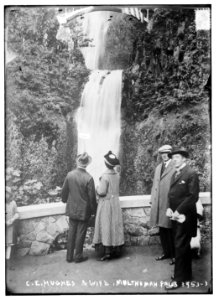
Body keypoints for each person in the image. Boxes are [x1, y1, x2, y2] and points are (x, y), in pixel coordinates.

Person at [165, 148, 199, 290]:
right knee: (182, 245)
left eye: (177, 157)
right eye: (173, 157)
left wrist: (178, 211)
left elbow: (193, 197)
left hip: (184, 216)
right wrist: (169, 208)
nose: (174, 160)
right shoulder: (175, 173)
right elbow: (171, 194)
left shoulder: (191, 173)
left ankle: (178, 279)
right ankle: (186, 275)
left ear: (184, 158)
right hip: (175, 215)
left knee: (180, 246)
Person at [62, 152, 97, 263]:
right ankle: (78, 257)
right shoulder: (89, 178)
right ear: (87, 164)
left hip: (72, 208)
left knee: (71, 232)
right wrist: (94, 211)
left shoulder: (70, 175)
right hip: (83, 211)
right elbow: (92, 198)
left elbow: (64, 192)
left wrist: (64, 201)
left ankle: (69, 257)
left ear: (78, 162)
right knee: (81, 233)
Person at [93, 151, 124, 261]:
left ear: (106, 164)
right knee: (115, 224)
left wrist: (96, 187)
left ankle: (107, 252)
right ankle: (116, 247)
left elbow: (102, 192)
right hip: (115, 202)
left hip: (106, 203)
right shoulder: (117, 175)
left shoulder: (105, 176)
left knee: (106, 225)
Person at [150, 145, 176, 264]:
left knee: (171, 230)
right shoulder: (159, 167)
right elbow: (155, 185)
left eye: (166, 153)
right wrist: (152, 200)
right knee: (162, 230)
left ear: (170, 153)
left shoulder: (175, 166)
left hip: (169, 203)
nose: (164, 155)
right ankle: (166, 253)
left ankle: (175, 255)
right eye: (162, 153)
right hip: (158, 204)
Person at [6, 186, 19, 263]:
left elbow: (17, 213)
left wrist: (13, 218)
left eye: (7, 193)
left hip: (11, 228)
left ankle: (9, 261)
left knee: (10, 245)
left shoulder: (13, 203)